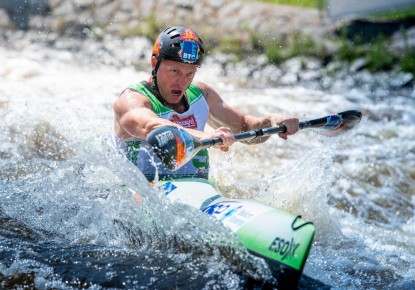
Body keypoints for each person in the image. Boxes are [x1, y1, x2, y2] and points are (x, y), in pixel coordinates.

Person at [112, 26, 299, 181]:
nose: (182, 82)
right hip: (140, 199)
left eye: (189, 73)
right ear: (155, 63)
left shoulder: (201, 94)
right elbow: (150, 126)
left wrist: (271, 121)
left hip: (197, 193)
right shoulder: (131, 101)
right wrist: (204, 136)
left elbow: (245, 128)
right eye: (174, 71)